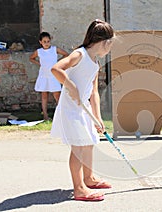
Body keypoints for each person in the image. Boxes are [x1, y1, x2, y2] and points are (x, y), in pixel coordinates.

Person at [50, 19, 114, 202]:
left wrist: (97, 117)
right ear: (105, 42)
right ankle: (79, 189)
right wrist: (71, 86)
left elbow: (93, 92)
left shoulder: (95, 63)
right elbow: (56, 69)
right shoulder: (79, 54)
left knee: (89, 142)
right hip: (71, 108)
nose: (110, 49)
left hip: (84, 108)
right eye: (111, 44)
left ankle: (89, 178)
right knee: (78, 146)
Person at [29, 32, 69, 120]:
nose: (46, 43)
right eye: (44, 41)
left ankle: (61, 115)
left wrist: (58, 63)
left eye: (48, 41)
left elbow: (66, 54)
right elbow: (31, 58)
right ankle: (45, 115)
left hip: (53, 75)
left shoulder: (54, 49)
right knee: (44, 95)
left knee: (57, 95)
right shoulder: (39, 51)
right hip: (44, 75)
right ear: (40, 42)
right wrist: (39, 63)